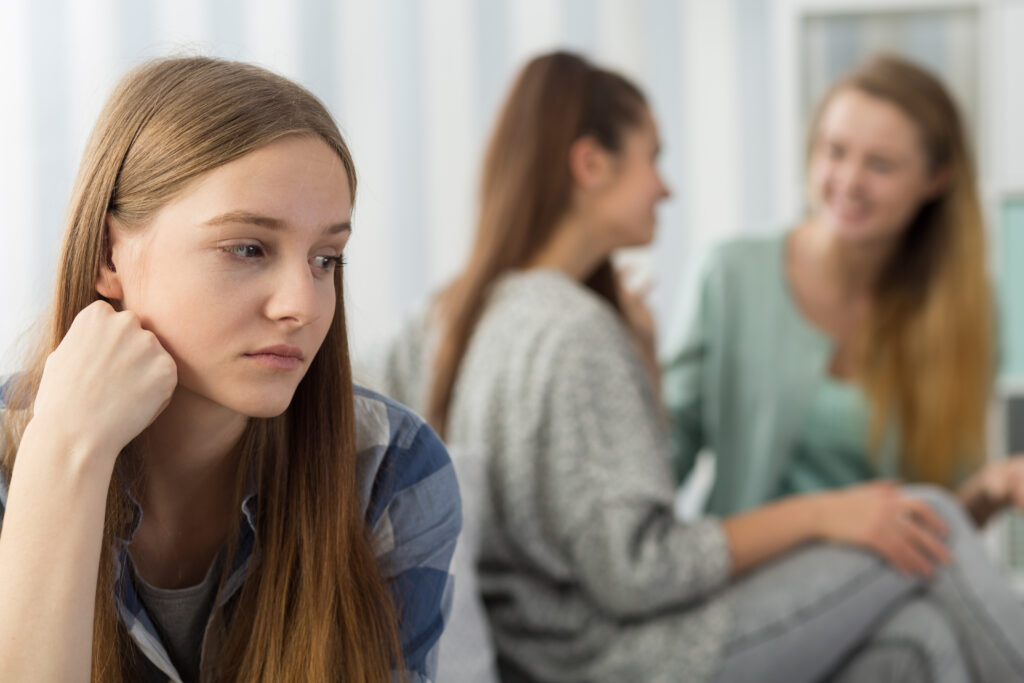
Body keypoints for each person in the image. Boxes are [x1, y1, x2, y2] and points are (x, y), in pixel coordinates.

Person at [372, 51, 1024, 683]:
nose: (667, 186)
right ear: (591, 164)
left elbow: (615, 506)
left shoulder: (471, 311)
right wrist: (825, 512)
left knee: (919, 637)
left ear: (935, 180)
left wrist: (641, 367)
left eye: (879, 163)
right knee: (927, 516)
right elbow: (640, 560)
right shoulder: (581, 326)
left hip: (633, 632)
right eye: (654, 159)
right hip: (632, 649)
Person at [0, 57, 460, 683]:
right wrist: (66, 450)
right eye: (247, 248)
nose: (302, 305)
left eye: (326, 259)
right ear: (110, 255)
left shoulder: (389, 472)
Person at [663, 54, 1024, 537]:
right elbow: (662, 465)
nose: (849, 183)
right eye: (834, 151)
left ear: (937, 178)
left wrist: (992, 490)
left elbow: (939, 527)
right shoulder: (729, 275)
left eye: (880, 165)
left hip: (889, 575)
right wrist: (636, 368)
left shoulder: (965, 312)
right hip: (751, 573)